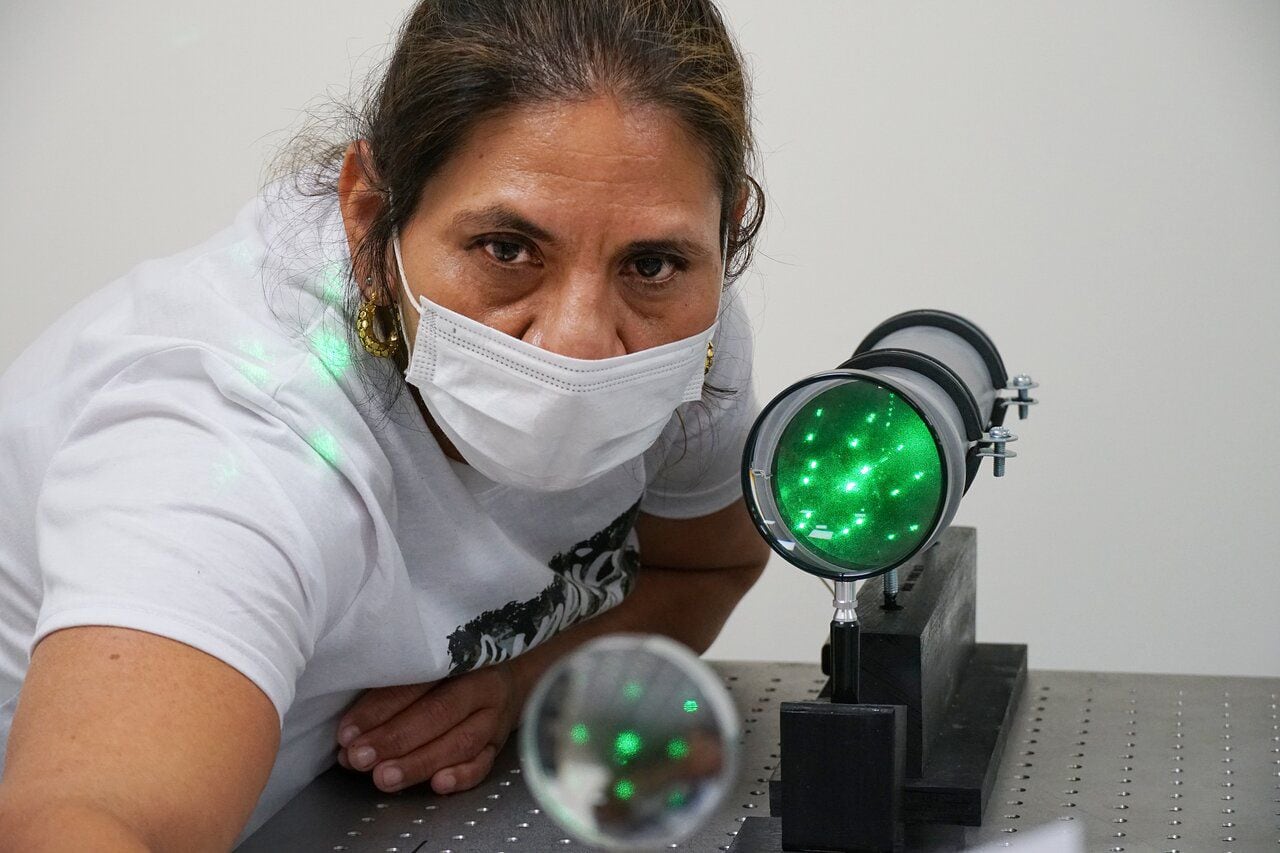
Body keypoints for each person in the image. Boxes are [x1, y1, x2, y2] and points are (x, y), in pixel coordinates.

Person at [0, 0, 768, 848]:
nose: (581, 345)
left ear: (722, 231)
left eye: (651, 262)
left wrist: (521, 679)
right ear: (369, 219)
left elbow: (708, 561)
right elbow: (82, 825)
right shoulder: (232, 436)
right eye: (507, 249)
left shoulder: (684, 337)